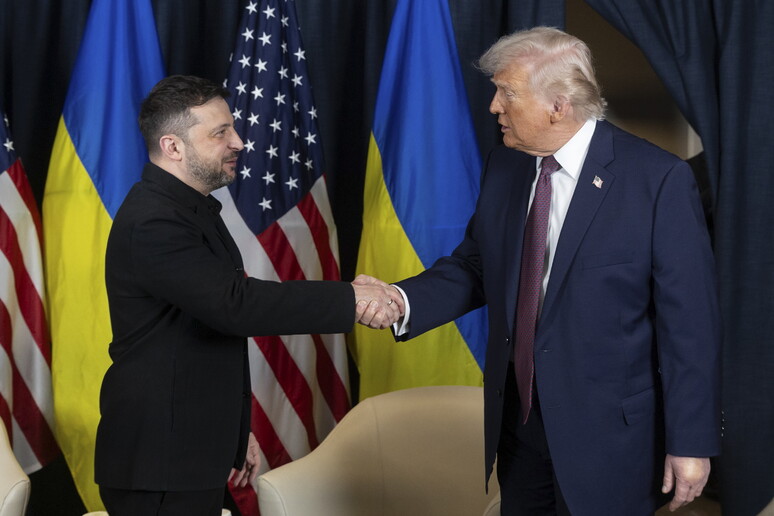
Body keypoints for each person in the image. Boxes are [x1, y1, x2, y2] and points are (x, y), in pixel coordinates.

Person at [355, 27, 720, 515]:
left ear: (558, 105)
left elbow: (690, 327)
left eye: (507, 93)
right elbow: (477, 266)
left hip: (610, 443)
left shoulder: (657, 181)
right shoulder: (505, 167)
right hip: (519, 428)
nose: (494, 107)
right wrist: (401, 301)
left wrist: (691, 442)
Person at [94, 75, 403, 516]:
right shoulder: (154, 220)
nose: (238, 142)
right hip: (159, 463)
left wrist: (235, 434)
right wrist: (350, 299)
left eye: (233, 129)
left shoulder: (189, 208)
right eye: (220, 133)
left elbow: (198, 337)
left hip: (188, 451)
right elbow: (234, 305)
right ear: (173, 146)